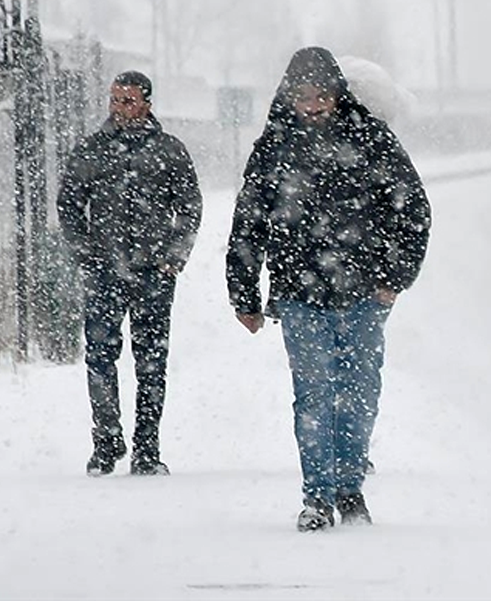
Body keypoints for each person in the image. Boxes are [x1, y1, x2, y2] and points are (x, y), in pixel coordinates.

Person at [226, 47, 430, 531]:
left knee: (359, 393)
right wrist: (244, 293)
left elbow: (413, 212)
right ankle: (317, 496)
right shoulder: (274, 147)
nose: (314, 105)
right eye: (305, 96)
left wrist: (393, 278)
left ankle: (350, 487)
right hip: (300, 293)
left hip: (363, 293)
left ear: (338, 95)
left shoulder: (371, 140)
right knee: (314, 394)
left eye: (322, 96)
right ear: (289, 96)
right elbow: (249, 221)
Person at [57, 70, 202, 477]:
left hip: (154, 272)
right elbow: (68, 205)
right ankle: (106, 441)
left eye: (127, 101)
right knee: (100, 356)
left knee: (151, 361)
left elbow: (189, 207)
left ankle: (147, 449)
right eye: (114, 99)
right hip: (103, 270)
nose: (118, 108)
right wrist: (85, 253)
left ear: (147, 103)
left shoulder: (170, 151)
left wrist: (173, 258)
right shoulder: (91, 150)